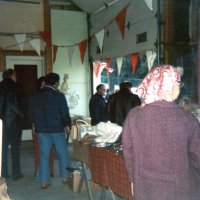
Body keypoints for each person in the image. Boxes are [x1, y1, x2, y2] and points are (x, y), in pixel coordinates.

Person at [122, 65, 200, 200]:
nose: (179, 87)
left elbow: (128, 154)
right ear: (169, 84)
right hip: (179, 189)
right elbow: (197, 157)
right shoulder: (187, 119)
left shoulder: (133, 115)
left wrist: (133, 180)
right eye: (178, 83)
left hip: (144, 186)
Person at [29, 72, 71, 189]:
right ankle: (65, 177)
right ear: (56, 83)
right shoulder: (59, 96)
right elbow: (64, 112)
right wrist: (67, 124)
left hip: (41, 130)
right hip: (57, 129)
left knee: (44, 155)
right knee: (62, 153)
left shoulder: (36, 95)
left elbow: (31, 112)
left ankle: (44, 181)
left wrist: (34, 125)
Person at [0, 68, 23, 180]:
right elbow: (21, 105)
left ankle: (3, 174)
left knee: (2, 149)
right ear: (13, 75)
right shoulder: (17, 86)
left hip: (2, 123)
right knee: (15, 148)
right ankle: (16, 173)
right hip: (16, 122)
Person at [32, 76, 54, 177]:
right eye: (42, 85)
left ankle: (50, 170)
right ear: (39, 85)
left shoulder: (53, 96)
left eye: (46, 85)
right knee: (38, 151)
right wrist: (33, 126)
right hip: (39, 127)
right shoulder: (35, 96)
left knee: (50, 150)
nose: (44, 86)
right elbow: (32, 113)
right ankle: (38, 171)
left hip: (51, 128)